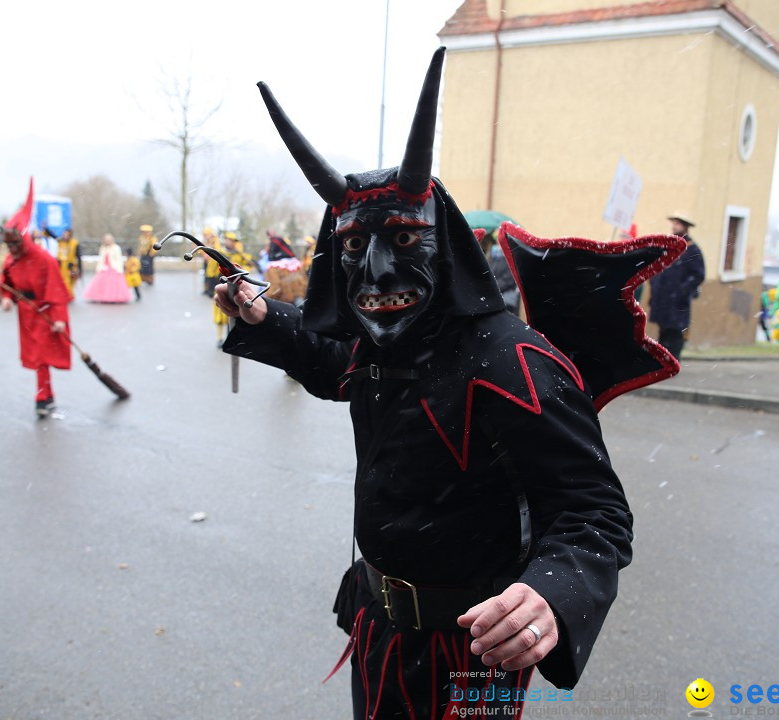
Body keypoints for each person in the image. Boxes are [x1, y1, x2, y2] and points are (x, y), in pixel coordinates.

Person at [216, 49, 661, 720]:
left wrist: (551, 591)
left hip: (472, 652)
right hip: (378, 626)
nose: (377, 271)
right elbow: (331, 359)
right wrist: (260, 313)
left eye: (402, 240)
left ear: (443, 245)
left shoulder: (513, 364)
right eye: (353, 249)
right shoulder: (379, 345)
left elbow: (592, 513)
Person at [0, 226, 72, 418]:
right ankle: (49, 394)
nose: (12, 248)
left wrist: (59, 318)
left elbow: (56, 289)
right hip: (26, 313)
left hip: (44, 311)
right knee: (36, 356)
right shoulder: (12, 260)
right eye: (9, 244)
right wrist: (7, 297)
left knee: (41, 356)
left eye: (15, 243)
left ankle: (42, 396)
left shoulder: (44, 259)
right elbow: (6, 282)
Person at [647, 212, 705, 360]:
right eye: (673, 223)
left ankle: (673, 359)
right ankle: (663, 360)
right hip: (663, 297)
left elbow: (698, 274)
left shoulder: (692, 249)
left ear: (685, 227)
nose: (674, 226)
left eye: (677, 223)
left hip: (677, 299)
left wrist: (682, 290)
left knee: (675, 330)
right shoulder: (670, 245)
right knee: (664, 329)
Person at [83, 234, 131, 303]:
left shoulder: (116, 248)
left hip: (114, 267)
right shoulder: (103, 248)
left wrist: (119, 269)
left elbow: (118, 259)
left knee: (114, 284)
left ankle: (114, 297)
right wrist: (99, 268)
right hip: (104, 267)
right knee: (102, 283)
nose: (108, 241)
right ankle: (101, 296)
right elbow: (101, 259)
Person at [55, 228, 82, 298]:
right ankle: (66, 295)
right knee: (63, 281)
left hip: (72, 266)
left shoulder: (74, 243)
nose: (65, 235)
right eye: (64, 234)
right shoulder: (60, 242)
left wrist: (80, 269)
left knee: (71, 281)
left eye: (67, 234)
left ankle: (69, 295)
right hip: (62, 265)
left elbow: (78, 256)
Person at [202, 227, 227, 298]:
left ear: (210, 234)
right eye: (204, 235)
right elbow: (202, 251)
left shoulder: (215, 241)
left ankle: (212, 292)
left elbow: (217, 251)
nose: (205, 237)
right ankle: (207, 290)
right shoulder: (207, 242)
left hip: (214, 264)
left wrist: (209, 256)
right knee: (206, 277)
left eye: (207, 235)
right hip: (207, 263)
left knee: (213, 278)